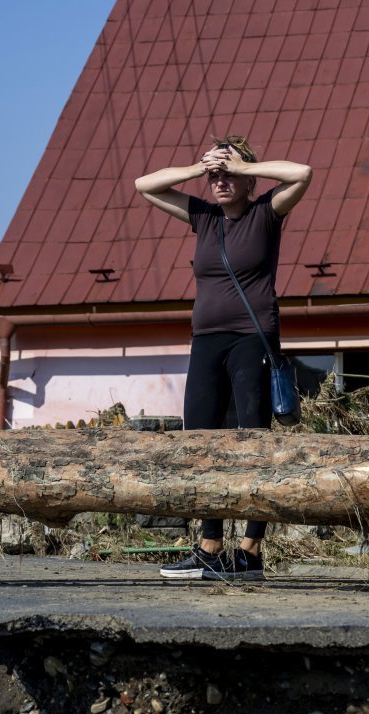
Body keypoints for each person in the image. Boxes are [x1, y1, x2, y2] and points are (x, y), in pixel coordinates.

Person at [135, 136, 312, 580]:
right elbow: (145, 185)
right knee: (199, 440)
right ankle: (210, 545)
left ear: (248, 178)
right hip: (206, 341)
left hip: (253, 338)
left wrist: (242, 167)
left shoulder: (265, 213)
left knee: (254, 440)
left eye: (228, 174)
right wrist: (201, 168)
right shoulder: (204, 217)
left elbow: (303, 174)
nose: (220, 181)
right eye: (216, 176)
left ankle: (250, 552)